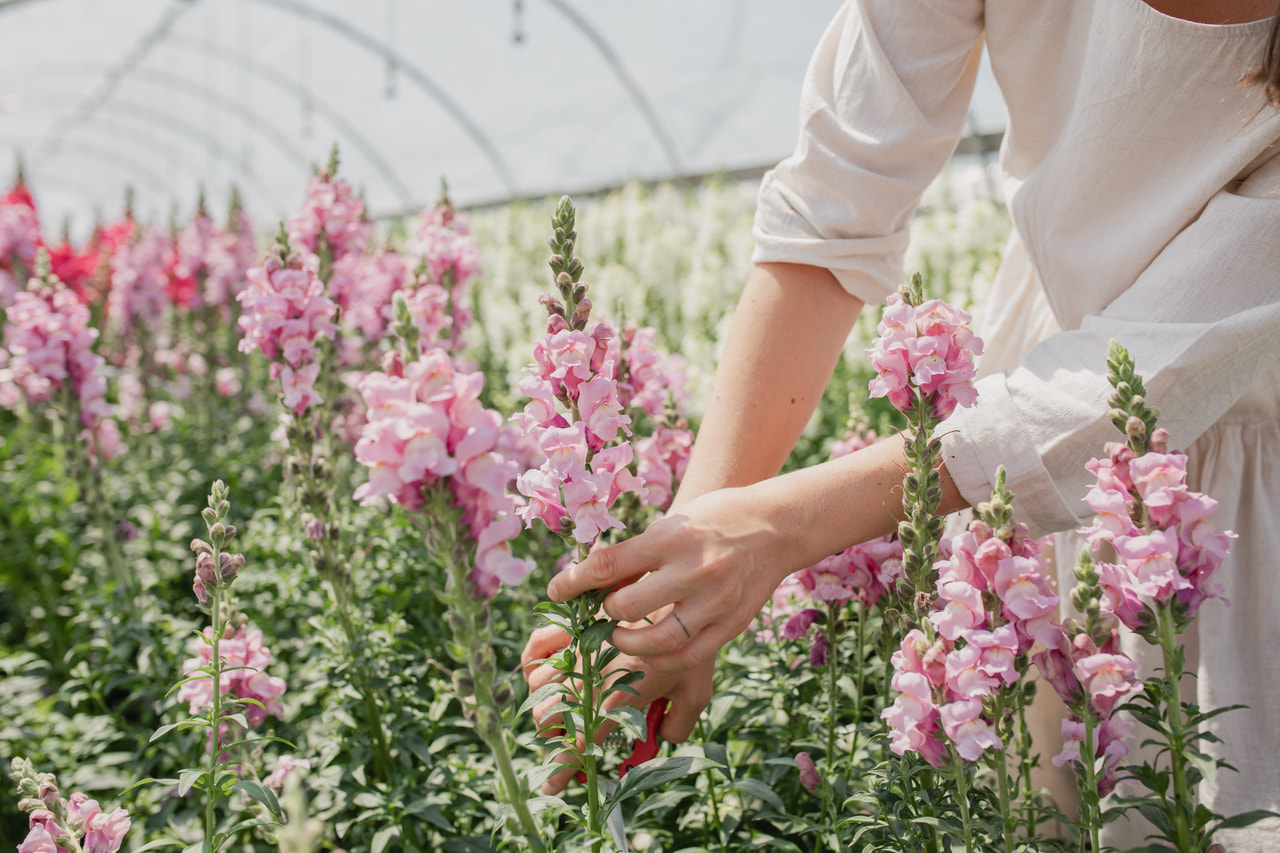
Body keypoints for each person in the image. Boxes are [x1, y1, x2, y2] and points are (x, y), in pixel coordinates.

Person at [523, 1, 1280, 848]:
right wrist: (679, 586)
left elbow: (1161, 363)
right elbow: (832, 211)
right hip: (1021, 480)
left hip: (1227, 500)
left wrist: (778, 526)